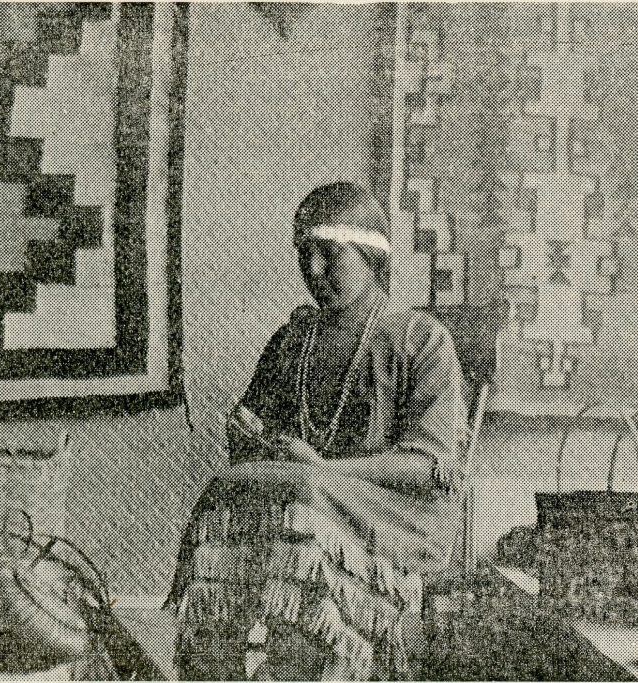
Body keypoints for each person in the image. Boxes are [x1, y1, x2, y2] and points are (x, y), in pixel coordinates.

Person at [165, 182, 470, 681]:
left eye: (329, 254)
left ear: (370, 255)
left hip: (393, 511)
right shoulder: (293, 339)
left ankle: (313, 662)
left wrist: (324, 469)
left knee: (305, 495)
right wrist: (251, 437)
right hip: (307, 494)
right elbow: (251, 442)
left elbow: (429, 465)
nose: (313, 270)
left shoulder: (421, 338)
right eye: (303, 254)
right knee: (226, 489)